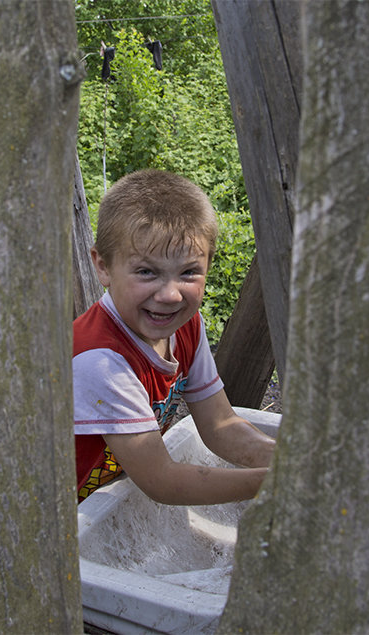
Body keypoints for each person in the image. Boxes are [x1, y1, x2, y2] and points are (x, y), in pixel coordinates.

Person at [74, 169, 275, 504]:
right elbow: (164, 481)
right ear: (103, 266)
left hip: (100, 504)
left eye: (188, 272)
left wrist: (295, 466)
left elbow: (220, 426)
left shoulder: (185, 327)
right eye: (146, 271)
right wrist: (275, 483)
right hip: (48, 521)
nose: (170, 295)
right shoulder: (99, 360)